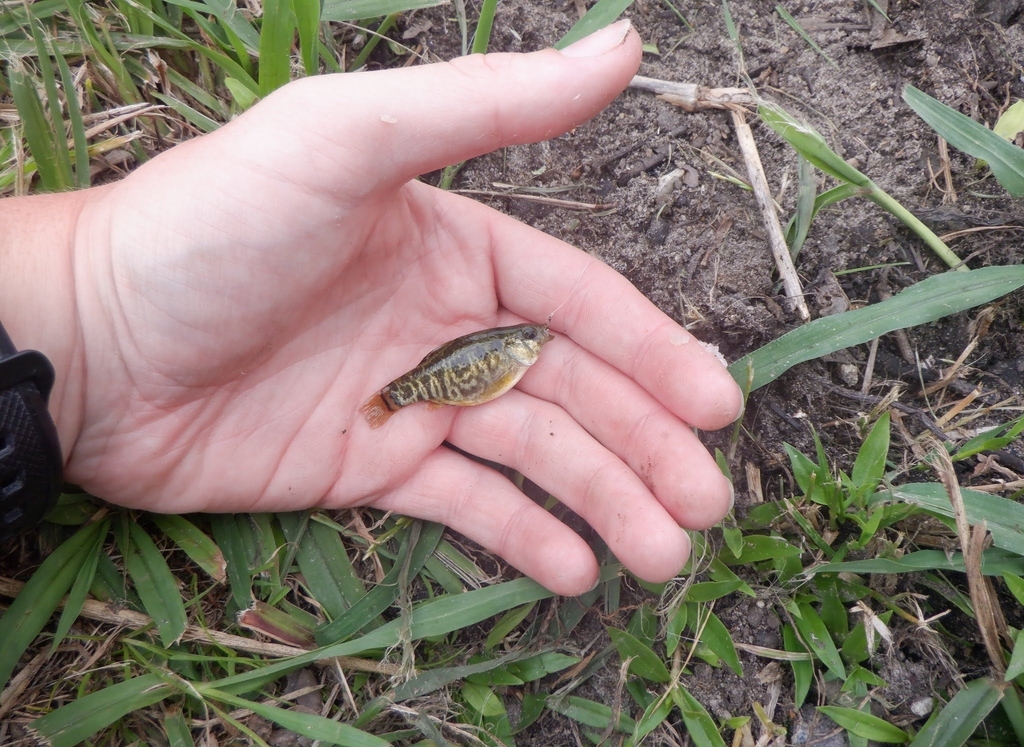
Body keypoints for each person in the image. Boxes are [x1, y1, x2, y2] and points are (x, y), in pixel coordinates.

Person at [0, 20, 741, 596]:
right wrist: (94, 311)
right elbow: (480, 375)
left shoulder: (513, 353)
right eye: (530, 338)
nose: (533, 343)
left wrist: (89, 315)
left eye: (530, 339)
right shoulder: (507, 351)